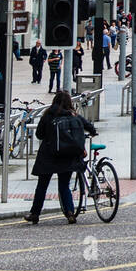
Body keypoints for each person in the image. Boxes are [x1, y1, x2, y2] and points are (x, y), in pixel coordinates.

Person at [24, 90, 96, 225]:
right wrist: (93, 132)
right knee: (64, 186)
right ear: (69, 102)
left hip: (48, 156)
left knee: (42, 186)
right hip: (68, 157)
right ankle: (70, 213)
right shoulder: (73, 115)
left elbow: (39, 134)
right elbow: (89, 126)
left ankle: (35, 214)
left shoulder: (49, 114)